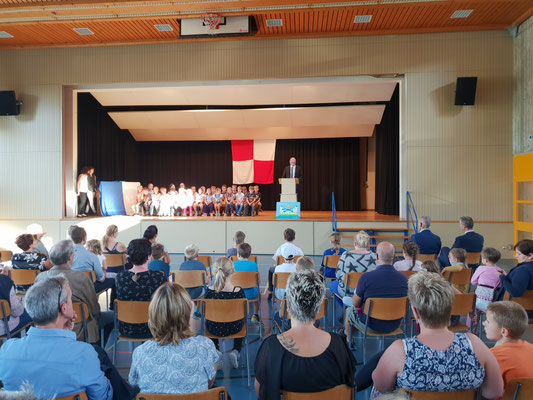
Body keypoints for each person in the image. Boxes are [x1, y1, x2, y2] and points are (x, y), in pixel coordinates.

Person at [372, 271, 503, 398]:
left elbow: (382, 387)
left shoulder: (400, 351)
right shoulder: (475, 345)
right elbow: (494, 392)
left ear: (415, 312)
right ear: (450, 309)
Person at [0, 274, 113, 399]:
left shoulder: (6, 351)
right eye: (70, 299)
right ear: (64, 308)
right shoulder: (84, 354)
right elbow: (102, 396)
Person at [255, 272, 356, 400]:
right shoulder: (340, 346)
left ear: (288, 306)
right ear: (319, 307)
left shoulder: (270, 347)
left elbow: (261, 392)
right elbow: (349, 388)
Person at [129, 282, 218, 395]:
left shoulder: (140, 352)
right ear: (186, 313)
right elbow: (210, 382)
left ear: (153, 314)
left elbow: (134, 383)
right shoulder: (205, 346)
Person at [36, 240, 111, 344]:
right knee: (111, 317)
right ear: (70, 258)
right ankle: (96, 348)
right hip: (79, 328)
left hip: (49, 327)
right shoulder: (81, 277)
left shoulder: (40, 278)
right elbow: (94, 309)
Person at [345, 242, 408, 336]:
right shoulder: (404, 279)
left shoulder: (366, 277)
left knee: (349, 311)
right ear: (394, 257)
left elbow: (355, 304)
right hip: (394, 325)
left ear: (377, 256)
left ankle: (348, 338)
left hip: (370, 325)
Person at [116, 239, 167, 339]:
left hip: (126, 329)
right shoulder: (159, 277)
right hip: (153, 328)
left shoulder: (120, 276)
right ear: (149, 257)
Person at [484, 301, 533, 396]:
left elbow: (488, 392)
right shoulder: (531, 347)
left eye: (488, 321)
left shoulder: (492, 356)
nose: (484, 323)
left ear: (503, 332)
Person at [204, 257, 245, 369]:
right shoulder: (239, 292)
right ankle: (236, 351)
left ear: (214, 272)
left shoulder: (209, 291)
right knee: (242, 320)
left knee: (211, 320)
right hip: (235, 328)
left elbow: (205, 314)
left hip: (214, 329)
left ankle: (216, 350)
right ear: (233, 271)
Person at [330, 230, 377, 304]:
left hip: (348, 292)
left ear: (355, 244)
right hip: (368, 293)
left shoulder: (345, 255)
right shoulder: (375, 257)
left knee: (333, 285)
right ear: (368, 245)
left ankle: (347, 307)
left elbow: (338, 276)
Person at [70, 226, 115, 296]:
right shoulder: (92, 256)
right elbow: (101, 279)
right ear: (84, 239)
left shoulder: (65, 255)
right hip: (89, 288)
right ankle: (113, 303)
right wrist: (104, 271)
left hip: (70, 288)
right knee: (114, 281)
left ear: (72, 239)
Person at [470, 247, 506, 333]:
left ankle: (471, 327)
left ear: (485, 260)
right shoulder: (502, 271)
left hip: (478, 301)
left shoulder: (481, 269)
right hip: (494, 302)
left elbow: (473, 281)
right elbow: (503, 284)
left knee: (472, 306)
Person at [268, 228, 304, 298]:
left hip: (282, 270)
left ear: (284, 238)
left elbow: (276, 260)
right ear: (294, 238)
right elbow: (302, 261)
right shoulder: (298, 250)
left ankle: (271, 290)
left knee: (271, 269)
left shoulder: (281, 248)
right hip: (295, 273)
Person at [497, 240, 533, 309]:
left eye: (518, 254)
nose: (515, 256)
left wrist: (502, 277)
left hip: (517, 310)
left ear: (530, 255)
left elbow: (515, 293)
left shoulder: (523, 270)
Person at [0, 268, 32, 338]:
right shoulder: (4, 281)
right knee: (31, 313)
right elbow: (17, 312)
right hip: (5, 328)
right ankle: (18, 343)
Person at [233, 243, 260, 323]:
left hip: (236, 294)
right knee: (257, 296)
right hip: (251, 294)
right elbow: (257, 281)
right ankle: (255, 315)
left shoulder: (233, 264)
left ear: (238, 254)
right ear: (249, 254)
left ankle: (236, 314)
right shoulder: (254, 265)